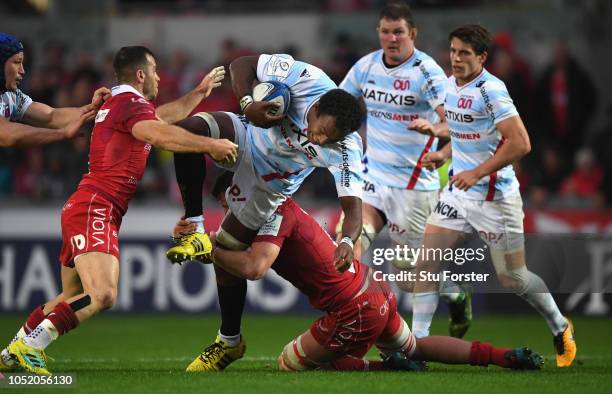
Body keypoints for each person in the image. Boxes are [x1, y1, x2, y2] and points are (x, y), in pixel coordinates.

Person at [1, 46, 238, 375]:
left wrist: (198, 93)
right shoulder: (129, 104)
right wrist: (211, 144)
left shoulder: (124, 104)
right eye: (153, 70)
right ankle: (31, 346)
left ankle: (14, 349)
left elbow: (161, 118)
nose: (158, 76)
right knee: (103, 293)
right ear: (140, 75)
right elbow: (159, 133)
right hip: (95, 207)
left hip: (87, 206)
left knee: (72, 296)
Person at [173, 172, 543, 372]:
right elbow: (231, 250)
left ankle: (385, 369)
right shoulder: (273, 210)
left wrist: (211, 249)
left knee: (289, 361)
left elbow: (254, 267)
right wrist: (201, 244)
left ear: (239, 195)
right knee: (414, 346)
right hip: (374, 289)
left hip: (354, 308)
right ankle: (503, 356)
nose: (229, 211)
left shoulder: (271, 213)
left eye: (228, 201)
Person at [165, 53, 364, 371]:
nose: (319, 138)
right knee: (189, 132)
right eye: (320, 129)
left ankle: (229, 342)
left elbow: (353, 211)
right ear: (317, 106)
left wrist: (347, 242)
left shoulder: (347, 149)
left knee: (229, 254)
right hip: (248, 134)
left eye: (329, 138)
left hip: (269, 184)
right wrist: (247, 102)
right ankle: (195, 225)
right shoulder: (307, 80)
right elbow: (242, 64)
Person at [409, 24, 577, 368]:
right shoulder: (449, 85)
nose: (455, 58)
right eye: (453, 51)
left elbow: (521, 143)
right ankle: (416, 347)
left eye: (464, 53)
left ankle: (560, 326)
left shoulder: (493, 90)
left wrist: (477, 172)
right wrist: (443, 152)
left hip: (496, 198)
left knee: (513, 278)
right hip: (459, 193)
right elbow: (467, 131)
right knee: (426, 263)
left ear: (482, 57)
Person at [337, 2, 470, 337]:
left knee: (408, 276)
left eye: (398, 32)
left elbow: (453, 121)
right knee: (348, 240)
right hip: (372, 179)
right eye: (385, 31)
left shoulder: (427, 73)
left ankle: (455, 293)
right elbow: (337, 105)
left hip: (413, 188)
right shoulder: (366, 67)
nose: (391, 38)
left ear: (412, 34)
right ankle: (354, 324)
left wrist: (436, 130)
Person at [0, 32, 108, 147]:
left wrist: (95, 108)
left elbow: (51, 116)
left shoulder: (11, 96)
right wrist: (62, 133)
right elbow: (7, 134)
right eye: (16, 63)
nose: (22, 71)